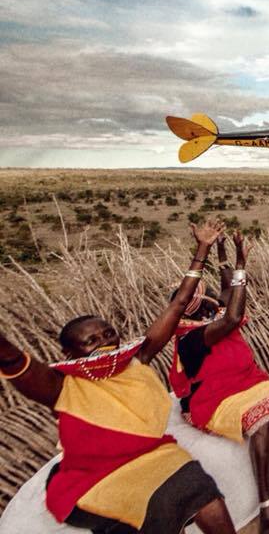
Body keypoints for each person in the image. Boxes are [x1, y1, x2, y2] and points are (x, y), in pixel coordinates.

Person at [0, 220, 236, 534]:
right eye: (91, 340)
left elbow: (179, 304)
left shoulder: (137, 359)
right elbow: (16, 361)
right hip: (96, 475)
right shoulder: (61, 386)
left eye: (108, 333)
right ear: (71, 354)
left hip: (152, 455)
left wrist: (203, 248)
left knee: (200, 488)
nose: (104, 341)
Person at [169, 231, 269, 534]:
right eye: (206, 305)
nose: (214, 305)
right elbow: (232, 314)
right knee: (263, 418)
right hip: (213, 400)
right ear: (197, 312)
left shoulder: (210, 318)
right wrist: (243, 262)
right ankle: (266, 509)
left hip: (246, 383)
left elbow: (227, 295)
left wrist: (224, 253)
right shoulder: (192, 338)